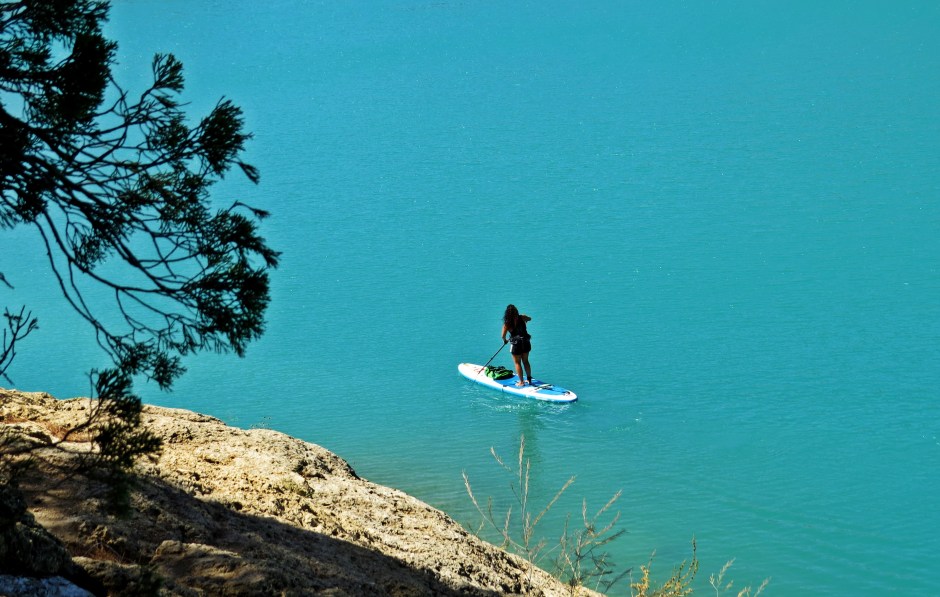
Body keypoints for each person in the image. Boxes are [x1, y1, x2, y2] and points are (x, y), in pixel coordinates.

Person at [501, 304, 532, 386]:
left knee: (517, 362)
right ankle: (529, 379)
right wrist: (525, 317)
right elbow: (530, 318)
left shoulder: (507, 323)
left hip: (516, 344)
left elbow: (503, 336)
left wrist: (505, 341)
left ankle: (521, 382)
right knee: (525, 361)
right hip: (525, 341)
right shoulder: (522, 317)